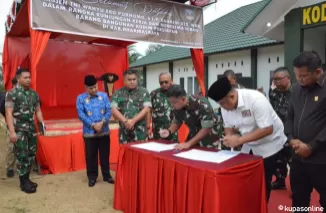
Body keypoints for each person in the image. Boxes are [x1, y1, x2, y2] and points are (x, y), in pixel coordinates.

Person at [207, 77, 286, 202]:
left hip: (269, 143)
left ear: (232, 96)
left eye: (223, 103)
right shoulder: (225, 106)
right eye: (220, 104)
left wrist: (238, 140)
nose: (222, 107)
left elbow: (267, 129)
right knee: (245, 177)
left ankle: (261, 206)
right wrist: (230, 137)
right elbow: (228, 127)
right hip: (247, 142)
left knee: (263, 181)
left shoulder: (256, 99)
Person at [285, 51, 326, 211]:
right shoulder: (296, 89)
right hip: (298, 158)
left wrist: (311, 146)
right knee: (299, 199)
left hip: (322, 159)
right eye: (296, 75)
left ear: (318, 71)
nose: (300, 79)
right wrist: (291, 138)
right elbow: (289, 117)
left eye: (304, 76)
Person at [5, 68, 45, 193]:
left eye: (29, 77)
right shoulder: (12, 94)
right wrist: (12, 132)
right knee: (22, 155)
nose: (29, 80)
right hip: (19, 129)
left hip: (31, 129)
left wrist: (42, 125)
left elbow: (38, 110)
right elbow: (8, 113)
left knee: (31, 154)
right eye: (25, 77)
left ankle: (27, 179)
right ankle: (23, 183)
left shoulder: (34, 94)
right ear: (18, 78)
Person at [76, 75, 114, 187]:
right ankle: (92, 177)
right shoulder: (80, 98)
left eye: (95, 87)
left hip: (104, 130)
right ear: (85, 87)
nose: (94, 90)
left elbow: (109, 110)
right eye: (91, 88)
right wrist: (93, 125)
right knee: (91, 155)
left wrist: (102, 122)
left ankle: (107, 175)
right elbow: (80, 114)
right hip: (89, 132)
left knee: (105, 154)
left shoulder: (104, 96)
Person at [159, 85, 223, 149]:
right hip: (193, 134)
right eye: (171, 102)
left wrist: (188, 144)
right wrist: (169, 131)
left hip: (209, 137)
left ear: (183, 99)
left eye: (174, 102)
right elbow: (177, 120)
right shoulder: (177, 105)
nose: (172, 105)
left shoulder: (201, 104)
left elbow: (206, 128)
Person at [111, 69, 151, 144]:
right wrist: (125, 121)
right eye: (129, 80)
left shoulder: (144, 92)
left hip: (140, 132)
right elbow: (113, 109)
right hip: (124, 132)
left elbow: (147, 109)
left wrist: (133, 121)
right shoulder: (118, 92)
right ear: (124, 81)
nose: (132, 81)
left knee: (140, 153)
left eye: (134, 79)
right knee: (125, 153)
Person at [269, 67, 292, 190]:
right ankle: (280, 180)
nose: (276, 82)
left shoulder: (297, 92)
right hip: (277, 132)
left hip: (291, 132)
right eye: (274, 79)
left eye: (279, 79)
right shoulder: (274, 92)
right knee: (278, 159)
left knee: (293, 160)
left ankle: (297, 187)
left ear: (288, 78)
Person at [147, 72, 178, 142]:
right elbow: (148, 111)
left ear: (171, 81)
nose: (164, 84)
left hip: (172, 131)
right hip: (158, 132)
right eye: (161, 83)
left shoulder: (176, 93)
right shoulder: (154, 94)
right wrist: (148, 128)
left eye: (166, 82)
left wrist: (176, 87)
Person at [5, 78, 18, 178]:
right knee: (11, 146)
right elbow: (7, 112)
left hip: (22, 125)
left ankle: (21, 166)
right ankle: (10, 167)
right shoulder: (9, 95)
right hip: (12, 124)